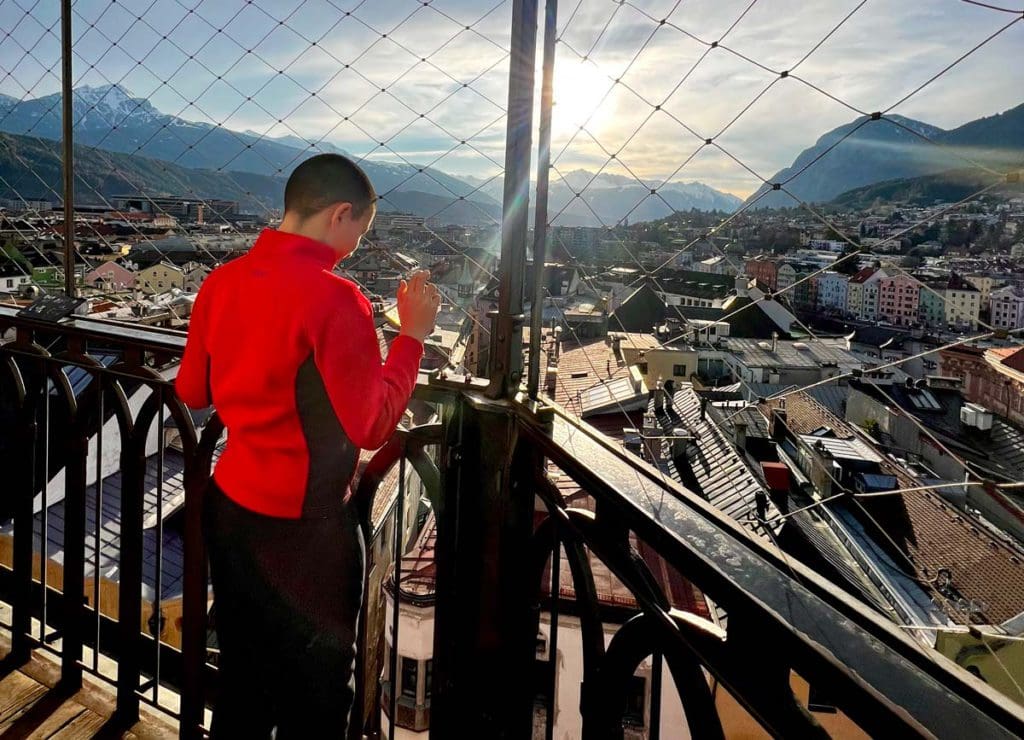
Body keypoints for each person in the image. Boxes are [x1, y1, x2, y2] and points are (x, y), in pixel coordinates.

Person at [175, 153, 441, 738]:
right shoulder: (336, 298)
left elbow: (192, 390)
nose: (355, 246)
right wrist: (412, 336)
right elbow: (372, 424)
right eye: (360, 232)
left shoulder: (222, 281)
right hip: (305, 527)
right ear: (340, 214)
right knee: (317, 693)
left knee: (244, 673)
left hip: (232, 506)